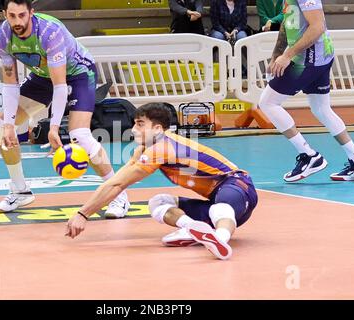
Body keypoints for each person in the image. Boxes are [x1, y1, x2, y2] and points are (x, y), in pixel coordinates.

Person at [65, 103, 258, 261]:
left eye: (140, 124)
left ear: (157, 129)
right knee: (157, 202)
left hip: (238, 188)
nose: (133, 129)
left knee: (220, 207)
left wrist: (83, 214)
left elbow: (116, 185)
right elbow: (117, 182)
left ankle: (220, 239)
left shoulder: (163, 147)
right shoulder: (143, 150)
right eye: (134, 123)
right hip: (219, 205)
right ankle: (193, 229)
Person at [0, 0, 130, 216]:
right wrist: (9, 124)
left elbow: (60, 85)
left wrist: (54, 127)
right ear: (4, 14)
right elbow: (10, 82)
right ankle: (20, 191)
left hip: (78, 73)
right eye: (12, 16)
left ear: (31, 13)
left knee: (80, 134)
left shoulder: (49, 32)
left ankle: (118, 195)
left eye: (22, 15)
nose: (17, 21)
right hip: (42, 75)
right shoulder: (3, 37)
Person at [258, 0, 354, 182]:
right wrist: (276, 55)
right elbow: (287, 23)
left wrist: (287, 55)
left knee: (268, 102)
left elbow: (317, 27)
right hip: (320, 57)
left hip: (309, 59)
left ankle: (309, 156)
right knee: (321, 109)